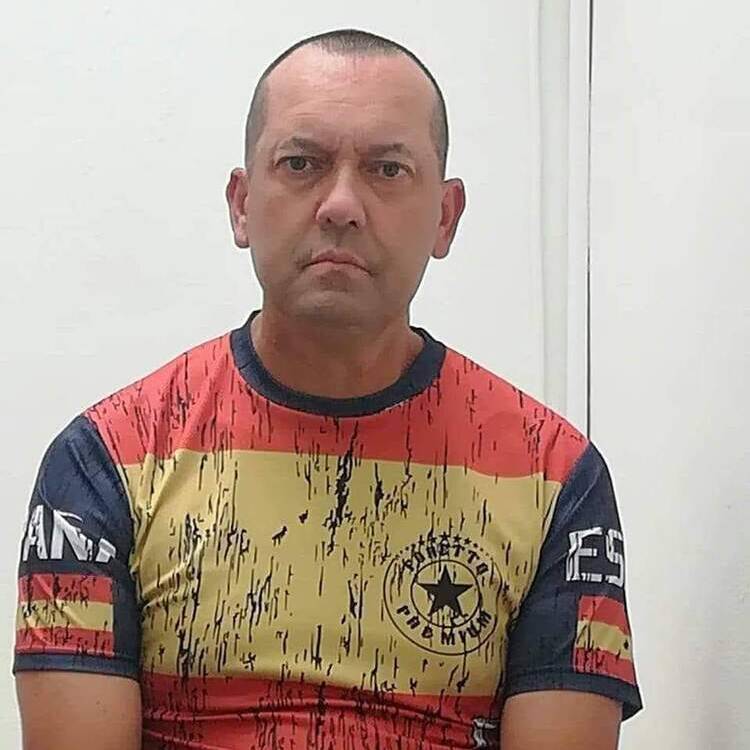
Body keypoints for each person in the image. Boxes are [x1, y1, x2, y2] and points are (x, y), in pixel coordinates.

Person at [13, 27, 643, 750]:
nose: (341, 204)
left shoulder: (555, 475)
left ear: (445, 217)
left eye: (387, 169)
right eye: (301, 163)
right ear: (242, 205)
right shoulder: (105, 461)